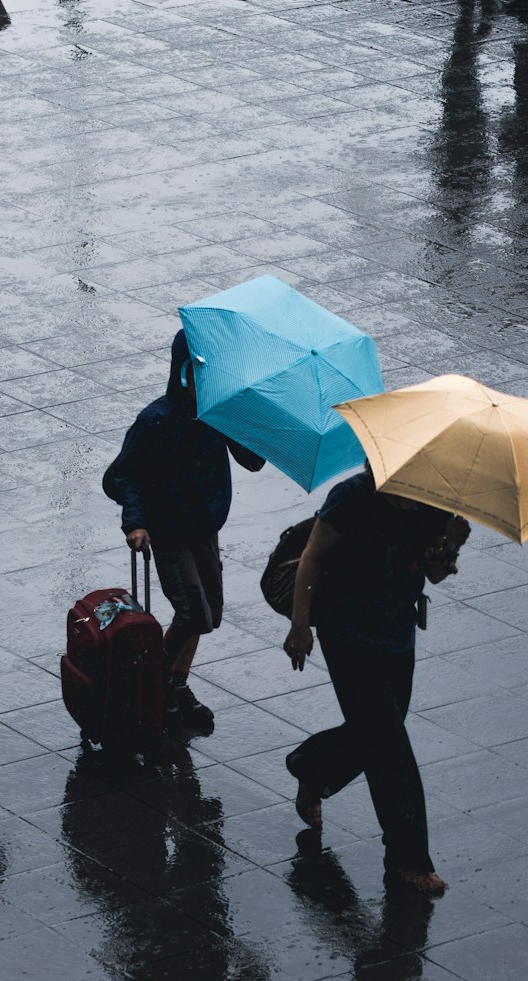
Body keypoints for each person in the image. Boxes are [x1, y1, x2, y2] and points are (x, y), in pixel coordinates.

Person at [281, 467, 470, 896]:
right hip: (347, 634)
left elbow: (434, 573)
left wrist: (451, 546)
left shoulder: (430, 502)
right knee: (390, 748)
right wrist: (300, 624)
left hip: (397, 634)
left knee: (378, 732)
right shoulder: (350, 498)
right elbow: (312, 556)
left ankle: (312, 766)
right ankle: (408, 859)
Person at [103, 331, 265, 728]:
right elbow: (120, 476)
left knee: (209, 614)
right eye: (197, 373)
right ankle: (152, 683)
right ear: (181, 371)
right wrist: (136, 521)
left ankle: (174, 683)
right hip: (170, 532)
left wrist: (251, 420)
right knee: (193, 614)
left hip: (204, 529)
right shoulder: (156, 420)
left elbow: (253, 461)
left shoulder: (218, 415)